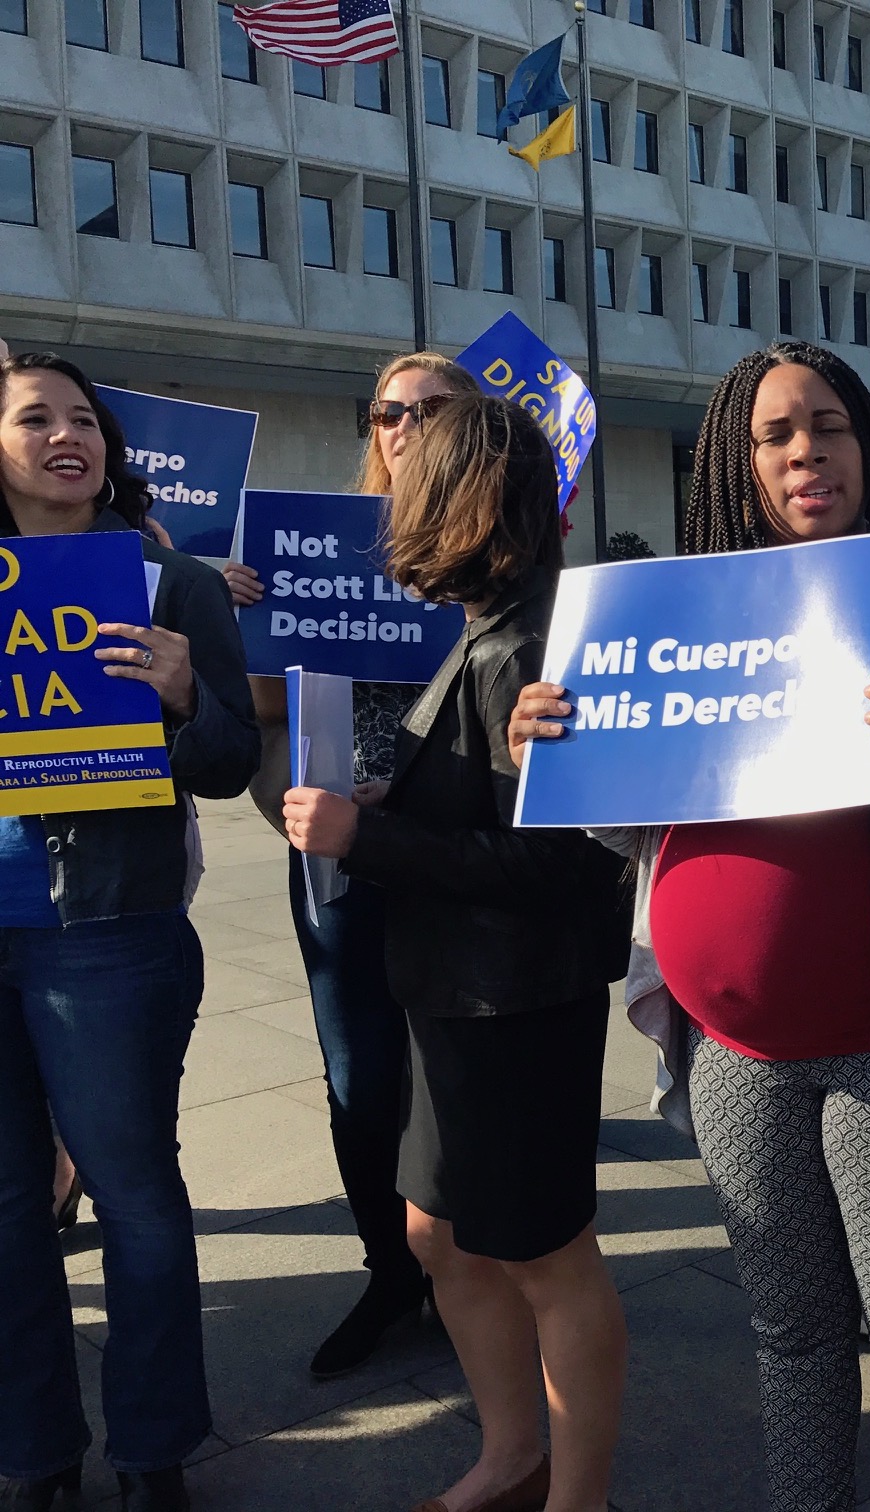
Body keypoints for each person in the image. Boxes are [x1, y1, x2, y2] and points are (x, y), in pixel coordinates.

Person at [508, 341, 870, 1512]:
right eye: (775, 435)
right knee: (791, 1330)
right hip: (731, 1048)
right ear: (735, 465)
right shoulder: (676, 617)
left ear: (868, 445)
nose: (807, 453)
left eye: (831, 426)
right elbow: (634, 840)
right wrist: (567, 764)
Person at [280, 396, 629, 1512]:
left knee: (549, 1260)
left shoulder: (524, 644)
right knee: (437, 1232)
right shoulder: (489, 627)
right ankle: (512, 1453)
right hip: (455, 994)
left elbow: (565, 867)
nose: (393, 513)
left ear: (466, 510)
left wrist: (367, 833)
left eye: (417, 490)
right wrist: (398, 801)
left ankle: (572, 1493)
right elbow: (484, 812)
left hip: (516, 1004)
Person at [0, 353, 260, 1512]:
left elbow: (228, 765)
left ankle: (154, 1450)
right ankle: (33, 1450)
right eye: (35, 418)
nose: (69, 435)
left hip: (107, 932)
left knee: (136, 1196)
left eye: (84, 419)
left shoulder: (172, 583)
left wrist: (184, 698)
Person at [222, 351, 481, 1378]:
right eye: (388, 410)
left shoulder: (498, 553)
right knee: (358, 1077)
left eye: (433, 407)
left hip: (459, 855)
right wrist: (248, 617)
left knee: (458, 1072)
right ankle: (390, 1272)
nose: (408, 424)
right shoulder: (313, 546)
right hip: (339, 855)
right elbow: (262, 718)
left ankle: (468, 1272)